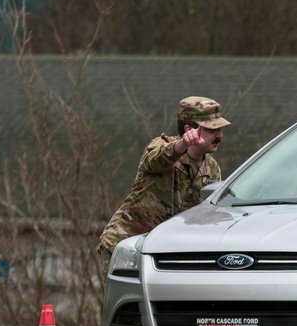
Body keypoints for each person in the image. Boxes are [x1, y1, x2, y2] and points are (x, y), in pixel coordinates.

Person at [98, 96, 230, 275]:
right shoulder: (162, 146)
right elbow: (156, 160)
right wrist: (182, 144)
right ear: (189, 130)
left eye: (220, 129)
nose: (220, 135)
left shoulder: (212, 169)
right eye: (212, 129)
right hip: (126, 248)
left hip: (164, 255)